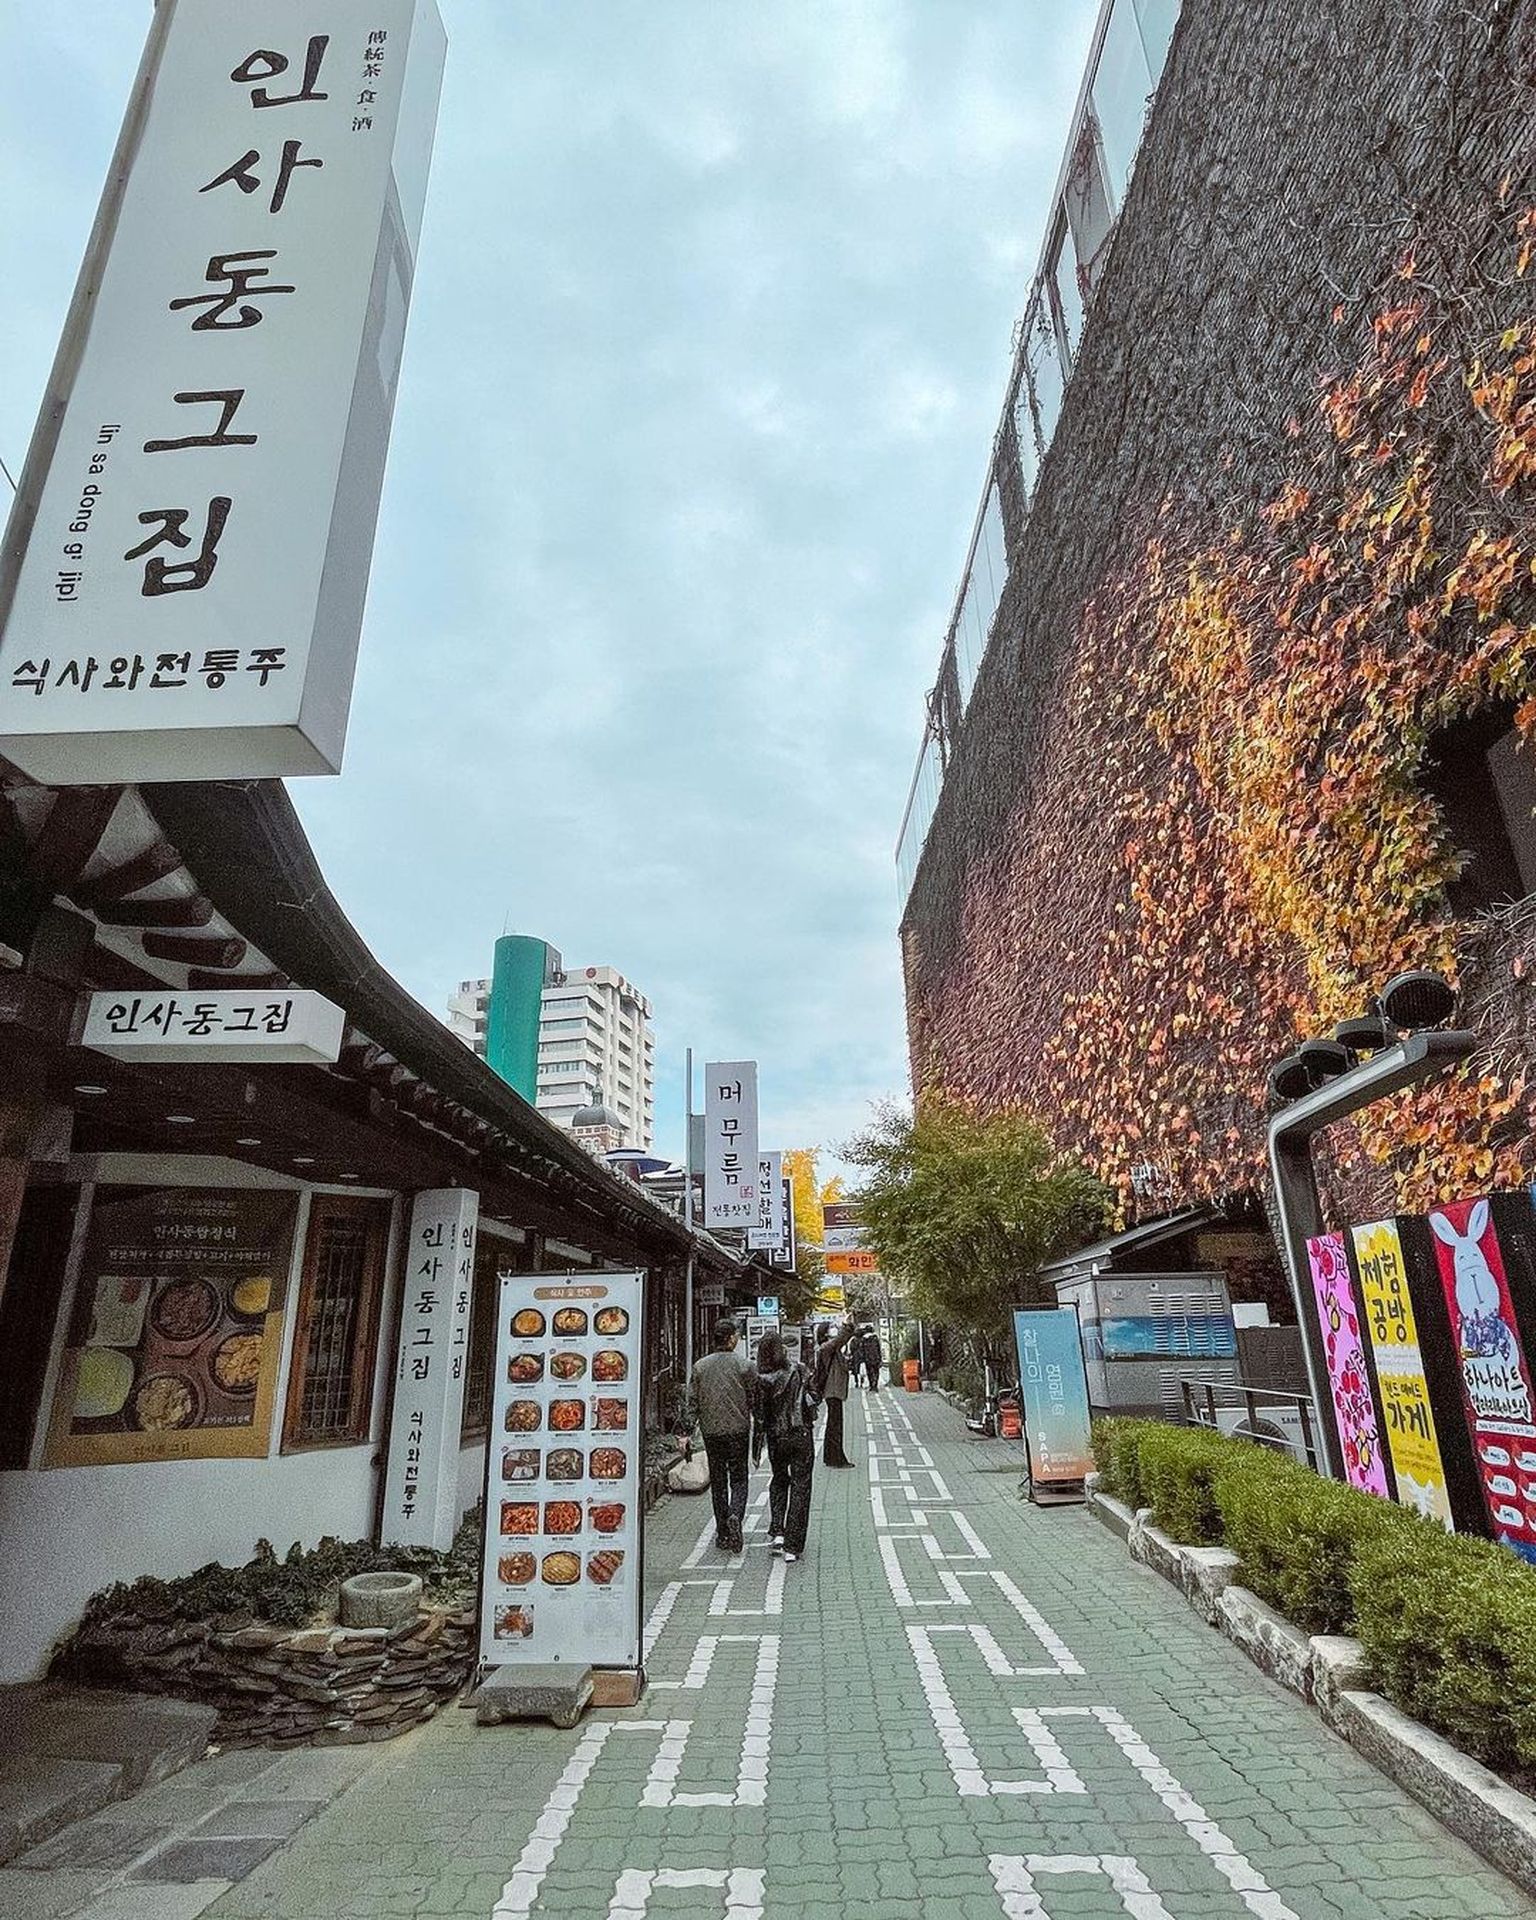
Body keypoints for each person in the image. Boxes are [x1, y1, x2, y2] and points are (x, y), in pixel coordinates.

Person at [750, 1328, 818, 1562]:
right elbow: (815, 1396)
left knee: (779, 1480)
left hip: (776, 1438)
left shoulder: (761, 1379)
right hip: (800, 1435)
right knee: (801, 1487)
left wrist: (756, 1449)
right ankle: (793, 1545)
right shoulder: (800, 1370)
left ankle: (778, 1531)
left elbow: (759, 1416)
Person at [690, 1317, 751, 1553]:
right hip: (738, 1430)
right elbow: (755, 1399)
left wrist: (686, 1432)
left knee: (718, 1481)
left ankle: (723, 1533)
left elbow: (692, 1402)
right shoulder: (745, 1365)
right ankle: (736, 1514)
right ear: (731, 1338)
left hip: (711, 1431)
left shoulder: (700, 1367)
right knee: (739, 1478)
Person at [814, 1319, 856, 1467]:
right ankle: (837, 1459)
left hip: (833, 1390)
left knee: (833, 1425)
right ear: (825, 1334)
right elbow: (840, 1340)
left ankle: (830, 1457)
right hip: (832, 1390)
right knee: (835, 1426)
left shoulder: (829, 1349)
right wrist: (847, 1326)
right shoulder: (826, 1348)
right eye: (831, 1330)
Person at [862, 1327, 883, 1392]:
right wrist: (880, 1358)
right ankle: (875, 1385)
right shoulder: (875, 1338)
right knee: (876, 1371)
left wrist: (863, 1358)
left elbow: (862, 1350)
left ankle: (871, 1385)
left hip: (867, 1358)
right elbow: (878, 1349)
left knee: (869, 1372)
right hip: (876, 1358)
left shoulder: (864, 1339)